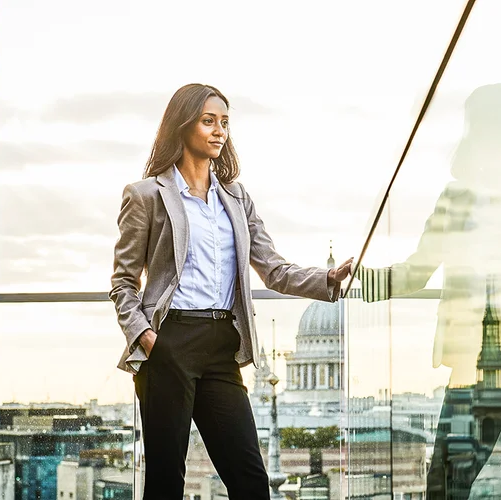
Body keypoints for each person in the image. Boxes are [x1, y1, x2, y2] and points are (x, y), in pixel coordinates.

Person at [109, 83, 353, 500]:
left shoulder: (237, 198)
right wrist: (146, 336)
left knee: (250, 480)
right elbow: (123, 282)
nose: (219, 131)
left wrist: (326, 280)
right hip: (170, 342)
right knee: (167, 481)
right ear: (182, 126)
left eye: (224, 122)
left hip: (223, 345)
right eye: (208, 121)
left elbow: (273, 269)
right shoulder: (146, 194)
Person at [355, 83, 501, 499]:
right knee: (450, 481)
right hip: (487, 358)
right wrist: (357, 280)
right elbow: (418, 269)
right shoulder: (459, 199)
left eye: (481, 126)